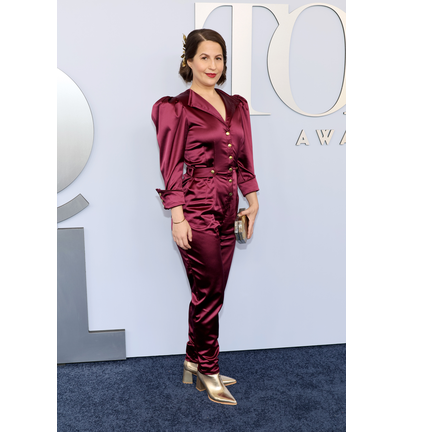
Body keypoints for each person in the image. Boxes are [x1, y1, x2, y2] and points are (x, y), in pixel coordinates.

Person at [152, 28, 260, 406]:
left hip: (230, 205)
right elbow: (170, 166)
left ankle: (192, 361)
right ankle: (209, 370)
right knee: (210, 293)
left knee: (209, 292)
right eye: (204, 58)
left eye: (218, 58)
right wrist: (177, 216)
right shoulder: (175, 108)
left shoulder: (236, 105)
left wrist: (253, 197)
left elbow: (243, 159)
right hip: (196, 206)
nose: (212, 65)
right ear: (188, 61)